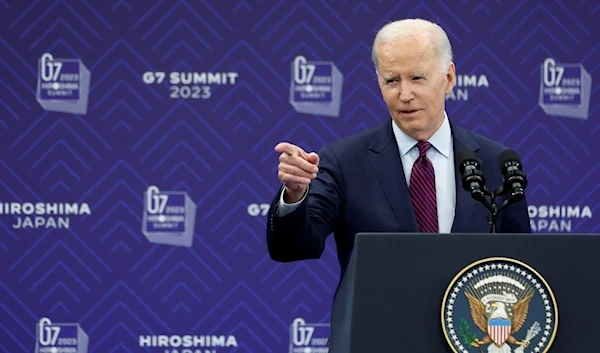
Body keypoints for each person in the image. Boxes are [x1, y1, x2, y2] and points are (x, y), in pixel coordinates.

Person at [265, 18, 531, 281]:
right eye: (392, 81)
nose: (405, 94)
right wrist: (295, 195)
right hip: (379, 322)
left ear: (448, 78)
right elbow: (293, 249)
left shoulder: (494, 162)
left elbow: (524, 266)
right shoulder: (343, 162)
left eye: (417, 78)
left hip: (467, 321)